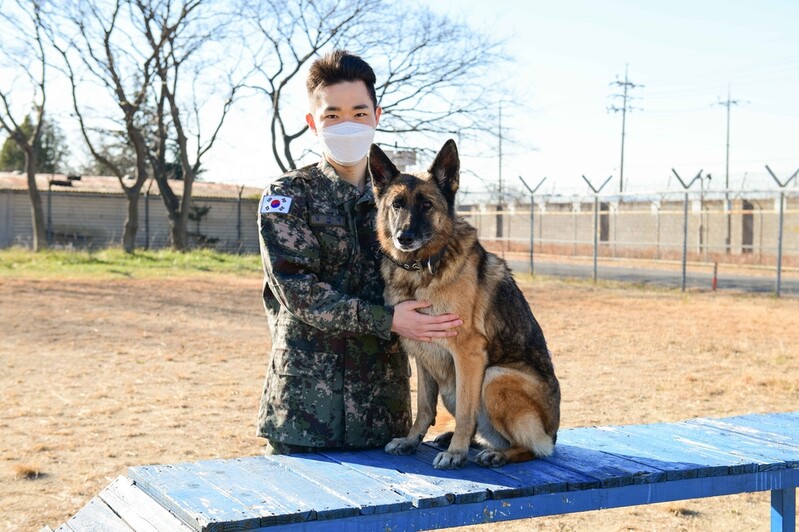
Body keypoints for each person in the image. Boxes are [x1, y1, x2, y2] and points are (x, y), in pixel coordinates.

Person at [257, 49, 462, 454]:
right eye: (332, 115)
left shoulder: (408, 202)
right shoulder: (288, 197)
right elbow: (298, 291)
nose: (346, 124)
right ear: (313, 123)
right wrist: (389, 320)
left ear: (376, 116)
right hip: (304, 415)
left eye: (359, 112)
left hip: (384, 415)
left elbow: (443, 266)